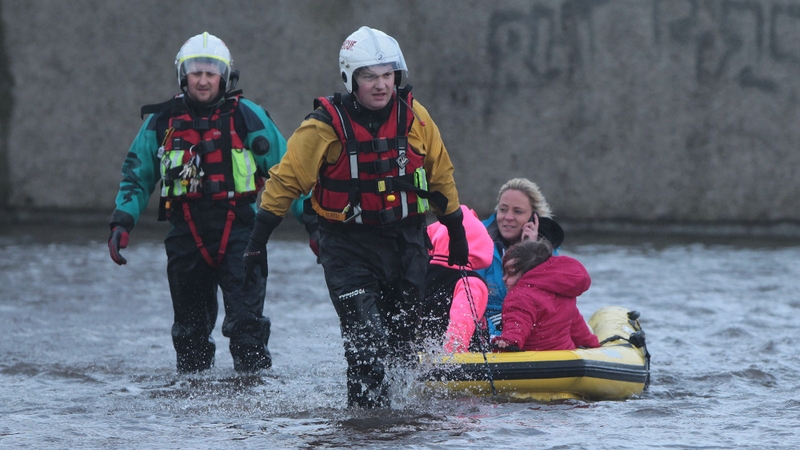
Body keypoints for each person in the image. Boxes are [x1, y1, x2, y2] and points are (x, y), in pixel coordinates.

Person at [242, 26, 469, 408]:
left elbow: (439, 173)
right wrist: (256, 242)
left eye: (387, 75)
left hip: (407, 241)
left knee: (402, 346)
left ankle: (398, 426)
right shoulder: (322, 127)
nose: (381, 85)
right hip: (348, 247)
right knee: (367, 345)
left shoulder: (417, 117)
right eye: (369, 76)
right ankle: (364, 426)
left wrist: (455, 227)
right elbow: (284, 182)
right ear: (351, 78)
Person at [107, 32, 303, 374]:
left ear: (223, 76)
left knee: (247, 330)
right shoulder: (162, 122)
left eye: (210, 73)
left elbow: (288, 172)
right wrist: (122, 221)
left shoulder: (248, 117)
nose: (202, 80)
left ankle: (255, 409)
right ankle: (194, 415)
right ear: (183, 75)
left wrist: (314, 224)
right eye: (195, 72)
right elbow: (138, 174)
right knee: (190, 335)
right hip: (186, 234)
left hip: (241, 233)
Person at [477, 177, 565, 338]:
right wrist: (494, 333)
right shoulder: (477, 242)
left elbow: (551, 305)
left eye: (517, 211)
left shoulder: (548, 254)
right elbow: (469, 303)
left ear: (534, 218)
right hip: (487, 328)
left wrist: (532, 253)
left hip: (530, 327)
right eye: (503, 210)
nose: (508, 217)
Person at [491, 239, 600, 352]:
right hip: (565, 357)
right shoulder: (562, 292)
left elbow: (517, 323)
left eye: (510, 272)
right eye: (504, 272)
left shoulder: (520, 296)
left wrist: (508, 341)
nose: (504, 278)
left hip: (535, 361)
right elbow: (578, 330)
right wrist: (593, 345)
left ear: (528, 271)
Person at [421, 205, 493, 353]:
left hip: (423, 358)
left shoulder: (421, 273)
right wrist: (451, 360)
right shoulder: (471, 282)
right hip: (458, 366)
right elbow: (459, 331)